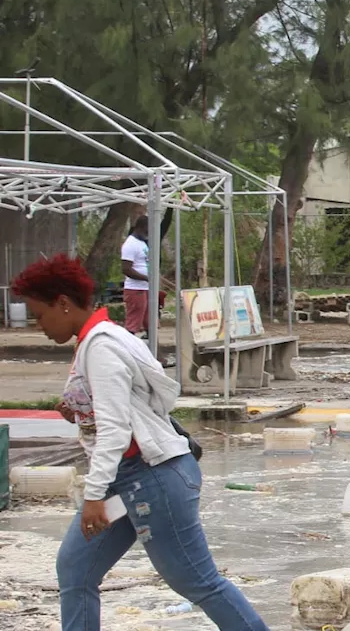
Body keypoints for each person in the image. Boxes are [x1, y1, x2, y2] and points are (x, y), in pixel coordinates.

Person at [10, 254, 268, 631]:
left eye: (39, 314)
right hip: (126, 482)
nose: (38, 325)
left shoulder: (101, 346)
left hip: (151, 481)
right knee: (75, 567)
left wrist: (94, 495)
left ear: (63, 303)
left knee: (195, 579)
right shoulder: (105, 337)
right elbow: (128, 407)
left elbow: (116, 430)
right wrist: (81, 412)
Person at [120, 217, 152, 337]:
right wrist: (146, 278)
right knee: (134, 322)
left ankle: (154, 350)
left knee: (150, 321)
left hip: (146, 288)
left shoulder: (142, 242)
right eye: (148, 229)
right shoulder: (130, 244)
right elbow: (126, 269)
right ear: (142, 227)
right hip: (135, 289)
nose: (149, 233)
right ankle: (127, 346)